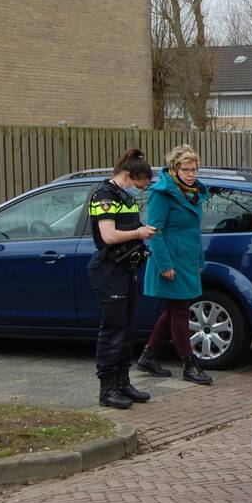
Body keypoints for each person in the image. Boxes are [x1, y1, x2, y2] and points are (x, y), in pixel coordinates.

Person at [137, 144, 213, 385]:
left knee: (174, 309)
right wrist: (164, 265)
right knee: (180, 310)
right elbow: (154, 231)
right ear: (174, 169)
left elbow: (193, 230)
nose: (191, 174)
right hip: (170, 259)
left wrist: (199, 258)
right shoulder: (162, 193)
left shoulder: (193, 192)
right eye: (187, 169)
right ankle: (189, 364)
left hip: (188, 259)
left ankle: (149, 355)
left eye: (195, 169)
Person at [88, 148, 157, 409]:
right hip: (109, 270)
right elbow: (108, 236)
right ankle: (107, 388)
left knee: (128, 328)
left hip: (127, 268)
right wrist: (139, 233)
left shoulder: (124, 197)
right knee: (113, 329)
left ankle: (123, 382)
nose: (141, 189)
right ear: (128, 175)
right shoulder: (104, 196)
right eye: (140, 184)